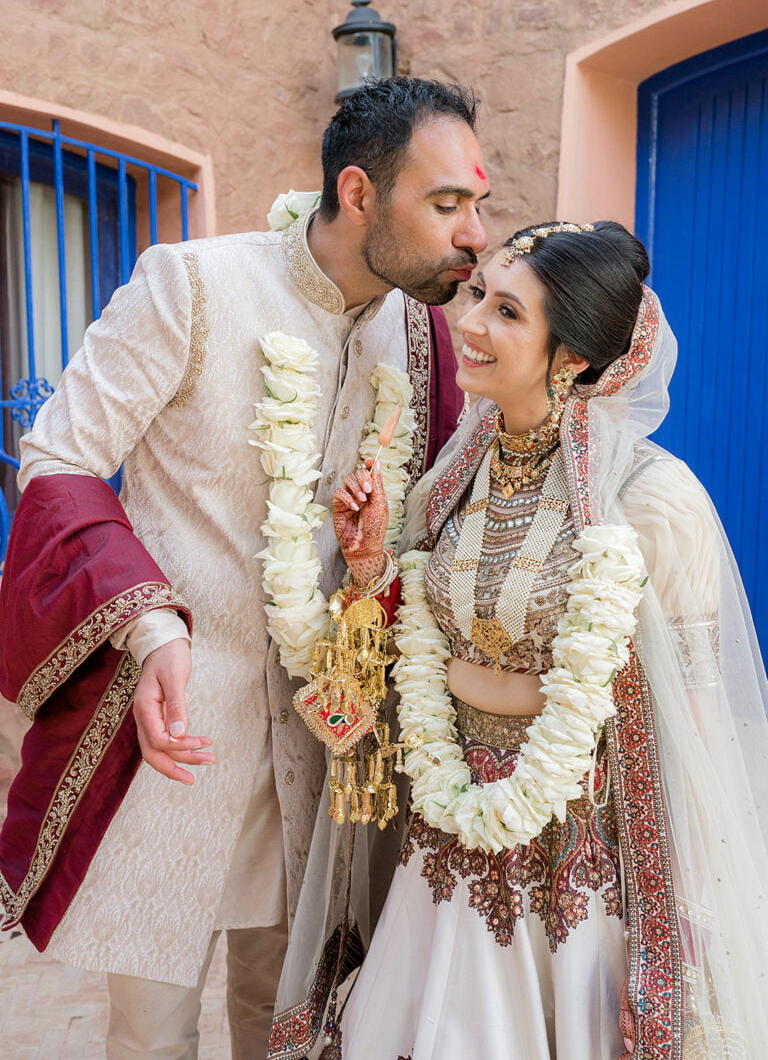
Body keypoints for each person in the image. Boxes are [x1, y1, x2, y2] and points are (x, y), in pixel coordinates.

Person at [0, 77, 490, 1059]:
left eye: (477, 204)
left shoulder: (423, 340)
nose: (475, 233)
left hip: (327, 745)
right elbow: (56, 457)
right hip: (177, 734)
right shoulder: (192, 284)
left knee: (296, 1020)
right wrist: (147, 626)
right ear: (359, 194)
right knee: (154, 1034)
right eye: (447, 205)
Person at [276, 221, 768, 1059]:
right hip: (442, 848)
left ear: (571, 355)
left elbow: (695, 728)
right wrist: (367, 568)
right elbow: (405, 652)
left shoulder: (653, 503)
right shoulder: (447, 483)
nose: (470, 324)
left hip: (575, 862)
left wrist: (683, 921)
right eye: (477, 296)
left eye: (507, 311)